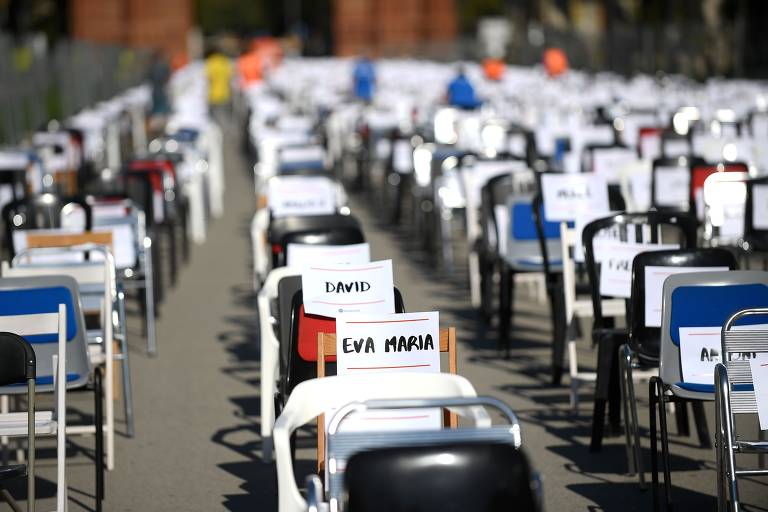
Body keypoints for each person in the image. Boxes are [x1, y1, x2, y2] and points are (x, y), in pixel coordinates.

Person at [205, 48, 233, 122]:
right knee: (225, 116)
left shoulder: (211, 62)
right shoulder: (225, 61)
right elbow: (230, 76)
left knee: (215, 118)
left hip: (214, 95)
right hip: (226, 94)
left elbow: (208, 78)